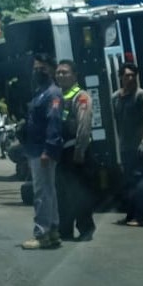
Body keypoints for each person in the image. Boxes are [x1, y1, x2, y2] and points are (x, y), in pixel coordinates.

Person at [21, 53, 63, 250]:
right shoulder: (40, 92)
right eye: (36, 67)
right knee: (49, 190)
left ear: (52, 70)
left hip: (42, 150)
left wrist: (48, 149)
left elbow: (54, 123)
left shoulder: (53, 94)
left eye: (43, 68)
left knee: (41, 192)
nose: (38, 71)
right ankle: (53, 230)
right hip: (35, 148)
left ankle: (42, 233)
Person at [54, 60, 96, 242]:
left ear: (74, 75)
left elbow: (84, 126)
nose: (61, 76)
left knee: (79, 193)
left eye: (65, 72)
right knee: (62, 194)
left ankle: (86, 228)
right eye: (58, 73)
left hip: (76, 152)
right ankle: (65, 230)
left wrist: (80, 151)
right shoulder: (58, 97)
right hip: (61, 153)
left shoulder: (81, 96)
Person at [112, 62, 143, 227]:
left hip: (137, 146)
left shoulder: (141, 95)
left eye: (133, 75)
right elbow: (116, 123)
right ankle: (129, 215)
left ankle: (139, 217)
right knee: (127, 182)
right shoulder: (115, 97)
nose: (130, 78)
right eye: (127, 75)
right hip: (124, 146)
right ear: (121, 77)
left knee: (138, 181)